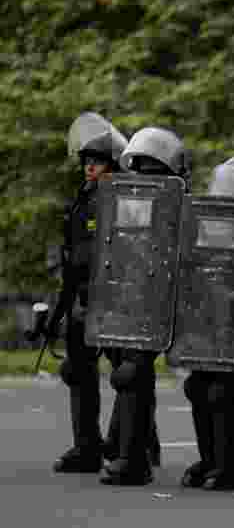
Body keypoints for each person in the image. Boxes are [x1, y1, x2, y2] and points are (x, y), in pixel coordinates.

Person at [100, 127, 190, 486]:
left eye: (150, 170)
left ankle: (132, 458)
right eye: (139, 169)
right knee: (130, 371)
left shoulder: (180, 205)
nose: (142, 178)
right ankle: (135, 445)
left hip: (161, 301)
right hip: (130, 299)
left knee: (134, 372)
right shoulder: (129, 202)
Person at [180, 155, 234, 491]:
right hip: (206, 315)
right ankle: (208, 460)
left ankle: (227, 466)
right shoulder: (206, 219)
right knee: (198, 387)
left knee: (223, 391)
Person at [50, 113, 127, 473]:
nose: (89, 168)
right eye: (86, 162)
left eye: (96, 162)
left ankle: (137, 442)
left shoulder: (125, 198)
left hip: (114, 298)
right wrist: (60, 308)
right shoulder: (82, 201)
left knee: (129, 373)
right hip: (82, 297)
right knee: (77, 370)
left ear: (111, 164)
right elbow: (70, 254)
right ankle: (86, 446)